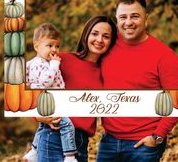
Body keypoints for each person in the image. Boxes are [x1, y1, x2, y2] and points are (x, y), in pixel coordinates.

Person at [97, 0, 178, 162]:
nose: (128, 22)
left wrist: (157, 137)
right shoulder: (106, 47)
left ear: (146, 19)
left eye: (135, 16)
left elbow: (177, 102)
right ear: (116, 20)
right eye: (123, 17)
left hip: (143, 144)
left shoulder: (164, 56)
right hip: (108, 141)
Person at [35, 16, 117, 162]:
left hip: (81, 142)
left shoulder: (108, 72)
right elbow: (36, 83)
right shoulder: (62, 60)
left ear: (111, 42)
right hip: (55, 135)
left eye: (106, 36)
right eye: (95, 33)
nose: (99, 40)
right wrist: (36, 116)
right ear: (86, 34)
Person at [23, 23, 78, 162]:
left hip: (49, 101)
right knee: (66, 124)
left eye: (57, 46)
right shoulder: (41, 64)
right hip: (49, 102)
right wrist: (54, 65)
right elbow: (45, 81)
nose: (54, 49)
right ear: (36, 46)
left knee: (42, 127)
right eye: (50, 46)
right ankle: (70, 156)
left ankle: (34, 151)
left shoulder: (39, 62)